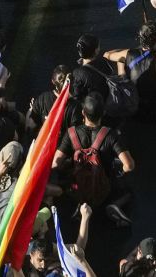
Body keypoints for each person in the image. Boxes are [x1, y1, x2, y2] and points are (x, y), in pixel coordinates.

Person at [52, 93, 136, 226]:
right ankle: (114, 204)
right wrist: (119, 171)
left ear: (83, 113)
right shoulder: (110, 135)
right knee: (128, 191)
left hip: (77, 187)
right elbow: (129, 165)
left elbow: (55, 164)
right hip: (104, 190)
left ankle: (80, 205)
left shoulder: (71, 133)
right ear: (103, 113)